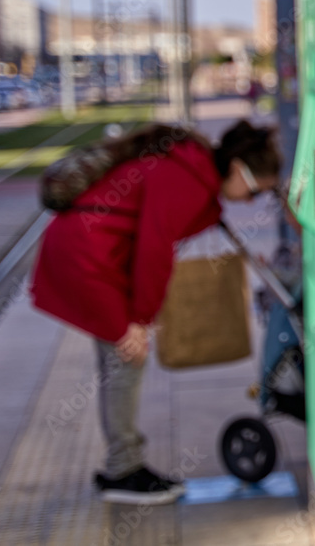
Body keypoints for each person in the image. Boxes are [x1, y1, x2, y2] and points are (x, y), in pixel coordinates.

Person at [30, 120, 281, 505]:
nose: (249, 202)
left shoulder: (190, 169)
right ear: (236, 169)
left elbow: (167, 224)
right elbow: (153, 250)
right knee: (127, 355)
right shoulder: (187, 179)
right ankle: (123, 470)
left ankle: (122, 464)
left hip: (91, 251)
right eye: (252, 193)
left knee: (122, 358)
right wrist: (139, 320)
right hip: (89, 257)